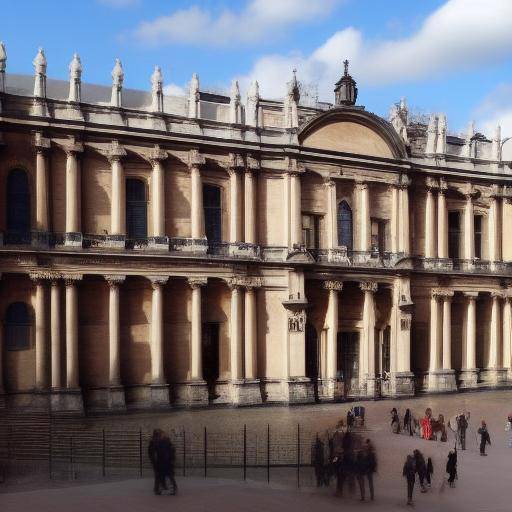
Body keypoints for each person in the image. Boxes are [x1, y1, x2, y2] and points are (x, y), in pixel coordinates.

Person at [148, 429, 166, 495]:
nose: (160, 435)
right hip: (157, 461)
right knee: (158, 475)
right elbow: (152, 452)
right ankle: (157, 489)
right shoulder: (154, 441)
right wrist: (153, 460)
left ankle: (160, 487)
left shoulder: (157, 441)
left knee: (159, 475)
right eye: (159, 434)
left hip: (159, 461)